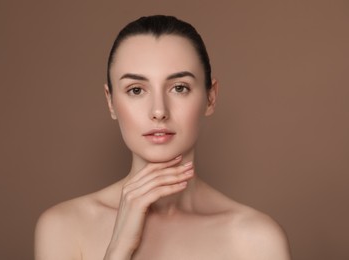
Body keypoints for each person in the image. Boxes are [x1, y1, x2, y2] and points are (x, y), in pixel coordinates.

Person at [35, 15, 291, 259]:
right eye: (136, 90)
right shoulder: (63, 227)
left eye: (179, 88)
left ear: (210, 97)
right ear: (111, 102)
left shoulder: (256, 239)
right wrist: (118, 249)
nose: (159, 111)